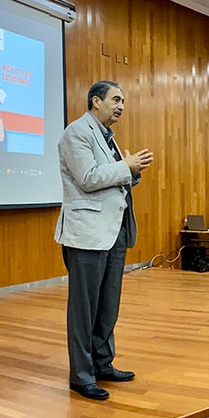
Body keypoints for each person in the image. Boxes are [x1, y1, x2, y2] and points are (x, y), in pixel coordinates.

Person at [55, 80, 153, 401]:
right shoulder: (77, 133)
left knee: (108, 305)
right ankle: (81, 376)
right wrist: (125, 166)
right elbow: (88, 178)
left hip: (114, 231)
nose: (121, 105)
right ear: (95, 101)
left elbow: (112, 178)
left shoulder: (106, 136)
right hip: (87, 234)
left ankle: (102, 362)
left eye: (123, 100)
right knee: (84, 309)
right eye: (115, 99)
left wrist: (131, 171)